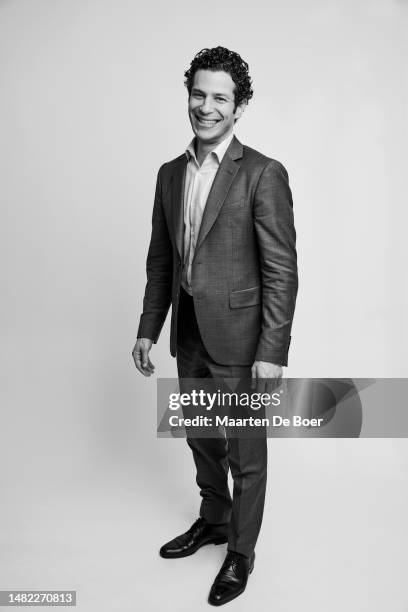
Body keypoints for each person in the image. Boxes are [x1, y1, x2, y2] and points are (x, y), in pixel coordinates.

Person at [133, 46, 298, 606]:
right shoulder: (169, 174)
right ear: (189, 97)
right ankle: (214, 519)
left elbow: (281, 271)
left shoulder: (262, 174)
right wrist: (148, 329)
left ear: (240, 106)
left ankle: (241, 553)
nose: (206, 107)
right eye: (198, 94)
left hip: (243, 343)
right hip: (189, 338)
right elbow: (163, 260)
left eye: (220, 98)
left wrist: (273, 350)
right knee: (202, 438)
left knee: (245, 454)